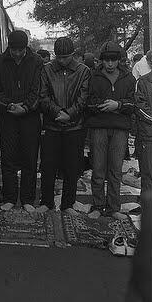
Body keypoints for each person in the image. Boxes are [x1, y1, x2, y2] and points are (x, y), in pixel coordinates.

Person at [0, 30, 43, 213]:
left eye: (20, 50)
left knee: (30, 158)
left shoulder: (36, 62)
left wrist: (26, 107)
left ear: (26, 47)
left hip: (30, 116)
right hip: (8, 116)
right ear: (9, 47)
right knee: (8, 158)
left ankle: (27, 199)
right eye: (14, 50)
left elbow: (39, 89)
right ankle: (10, 197)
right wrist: (9, 105)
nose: (17, 53)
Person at [37, 37, 90, 216]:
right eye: (59, 57)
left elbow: (84, 98)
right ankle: (46, 201)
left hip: (75, 127)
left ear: (73, 55)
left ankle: (68, 203)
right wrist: (57, 112)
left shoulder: (83, 71)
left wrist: (69, 114)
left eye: (66, 57)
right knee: (48, 165)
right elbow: (43, 96)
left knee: (71, 167)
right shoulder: (47, 70)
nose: (62, 61)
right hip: (52, 126)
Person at [86, 42, 136, 220]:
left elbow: (133, 104)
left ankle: (114, 207)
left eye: (113, 60)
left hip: (120, 129)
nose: (109, 64)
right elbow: (88, 103)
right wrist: (104, 106)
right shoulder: (94, 77)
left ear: (118, 60)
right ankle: (98, 205)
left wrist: (118, 105)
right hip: (99, 127)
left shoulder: (129, 78)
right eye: (106, 60)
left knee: (115, 169)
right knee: (98, 168)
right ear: (102, 60)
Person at [134, 61, 152, 196]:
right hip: (149, 137)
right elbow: (140, 108)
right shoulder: (142, 82)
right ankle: (150, 212)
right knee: (150, 177)